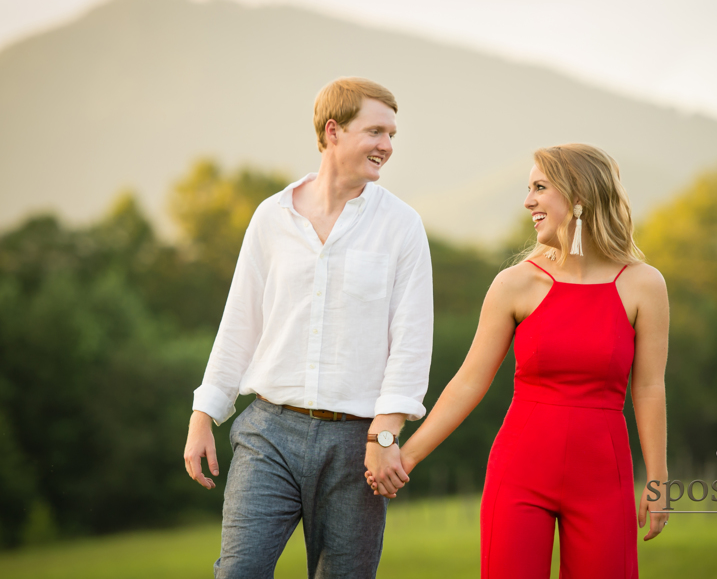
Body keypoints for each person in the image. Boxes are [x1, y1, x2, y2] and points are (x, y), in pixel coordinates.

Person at [369, 143, 669, 578]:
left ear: (579, 195)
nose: (528, 200)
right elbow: (469, 382)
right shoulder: (514, 284)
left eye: (540, 187)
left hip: (606, 480)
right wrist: (407, 456)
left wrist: (658, 482)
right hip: (519, 475)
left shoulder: (644, 285)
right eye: (528, 188)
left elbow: (649, 388)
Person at [183, 77, 433, 579]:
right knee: (239, 571)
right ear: (334, 131)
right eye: (376, 131)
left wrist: (385, 437)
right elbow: (240, 322)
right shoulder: (270, 217)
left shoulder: (402, 226)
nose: (386, 145)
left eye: (392, 135)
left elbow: (410, 343)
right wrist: (204, 413)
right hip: (269, 431)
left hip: (356, 443)